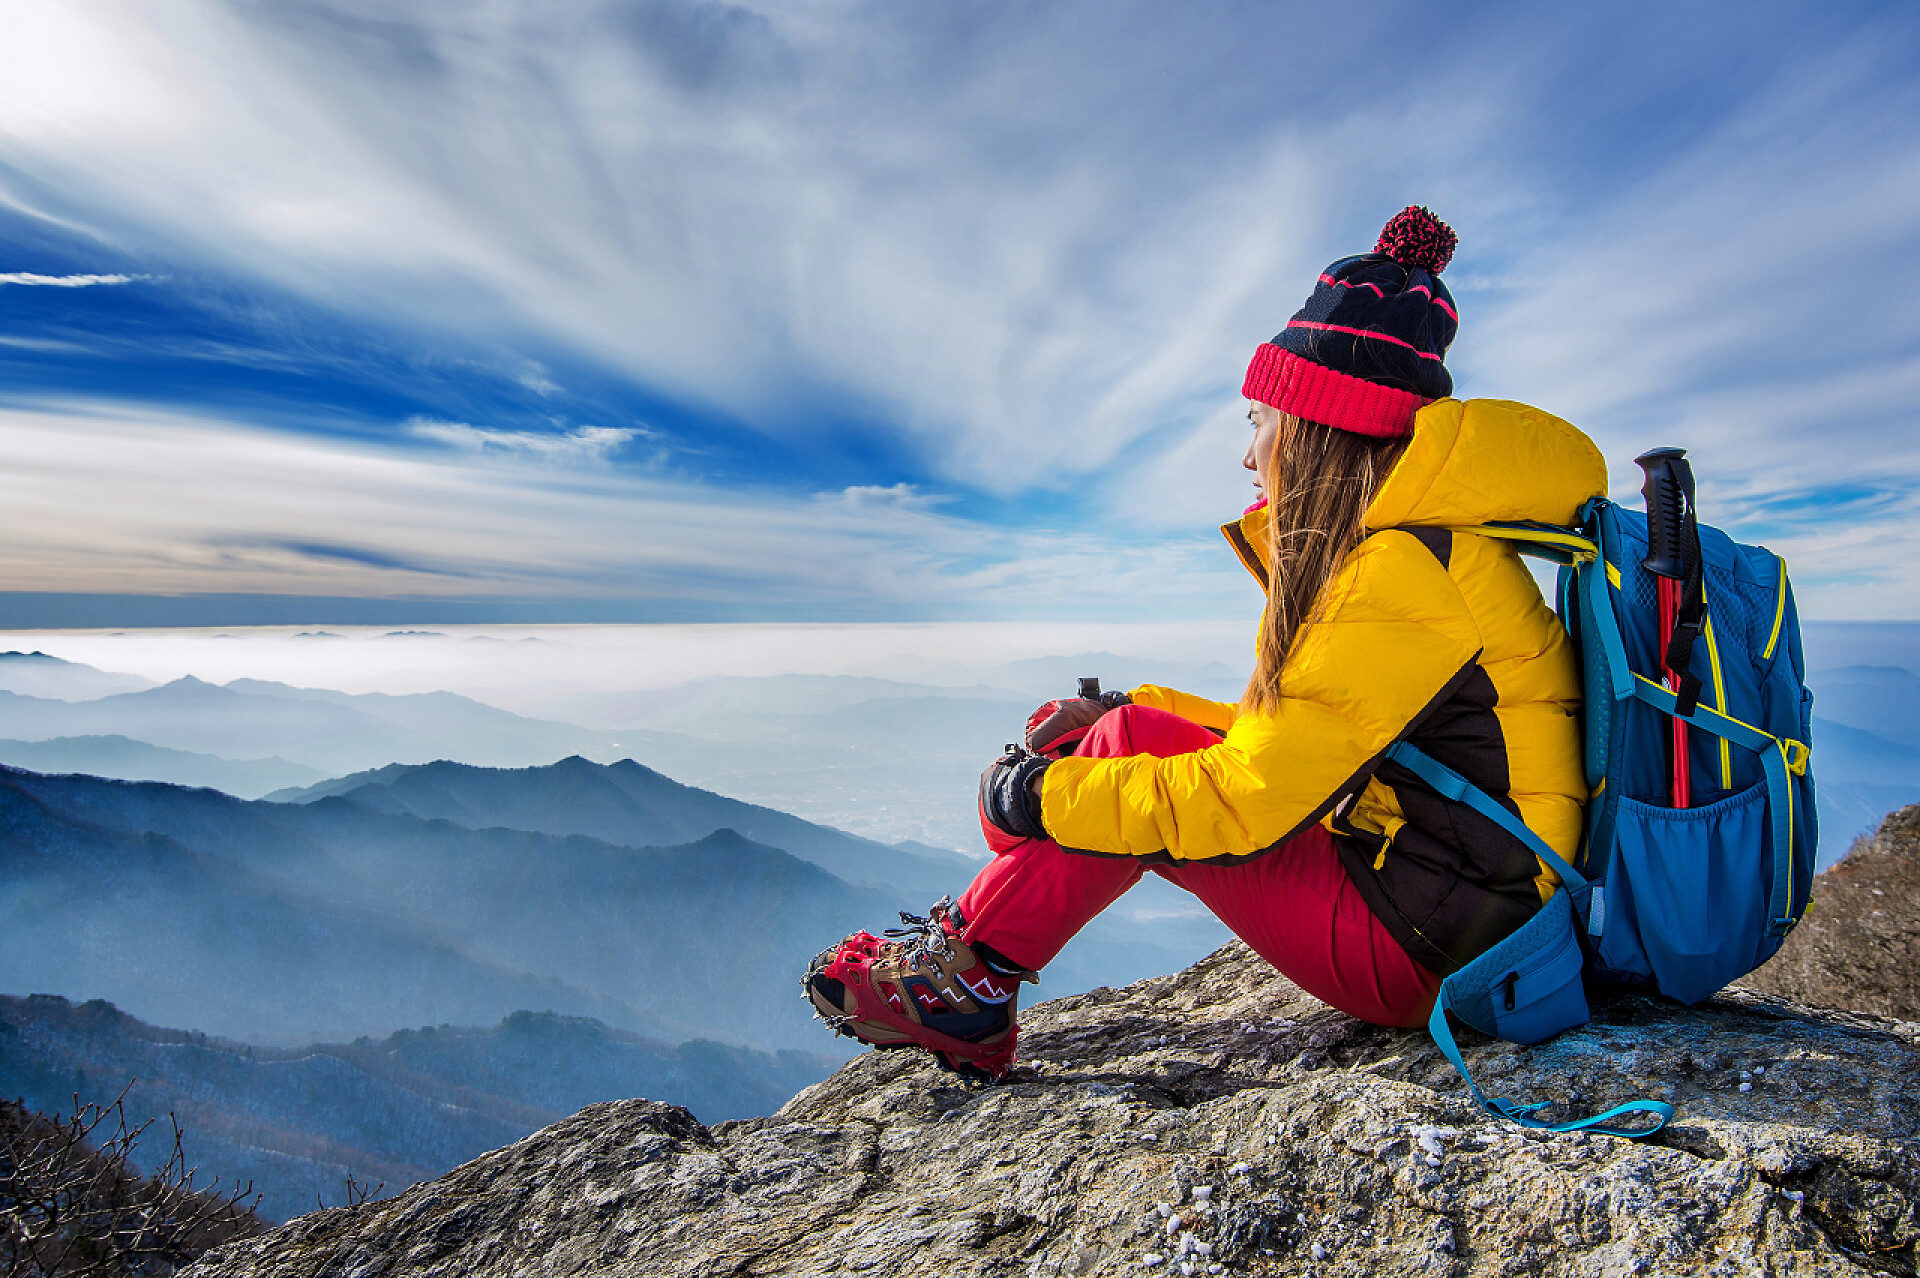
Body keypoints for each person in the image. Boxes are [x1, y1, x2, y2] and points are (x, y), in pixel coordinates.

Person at [805, 206, 1605, 1082]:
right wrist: (1130, 713)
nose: (1249, 455)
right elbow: (1309, 735)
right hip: (1441, 894)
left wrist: (1039, 800)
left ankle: (963, 989)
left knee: (1124, 788)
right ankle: (971, 975)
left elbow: (1247, 799)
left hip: (1436, 948)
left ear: (1313, 424)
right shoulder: (1417, 547)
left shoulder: (1394, 575)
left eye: (1258, 421)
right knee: (1125, 746)